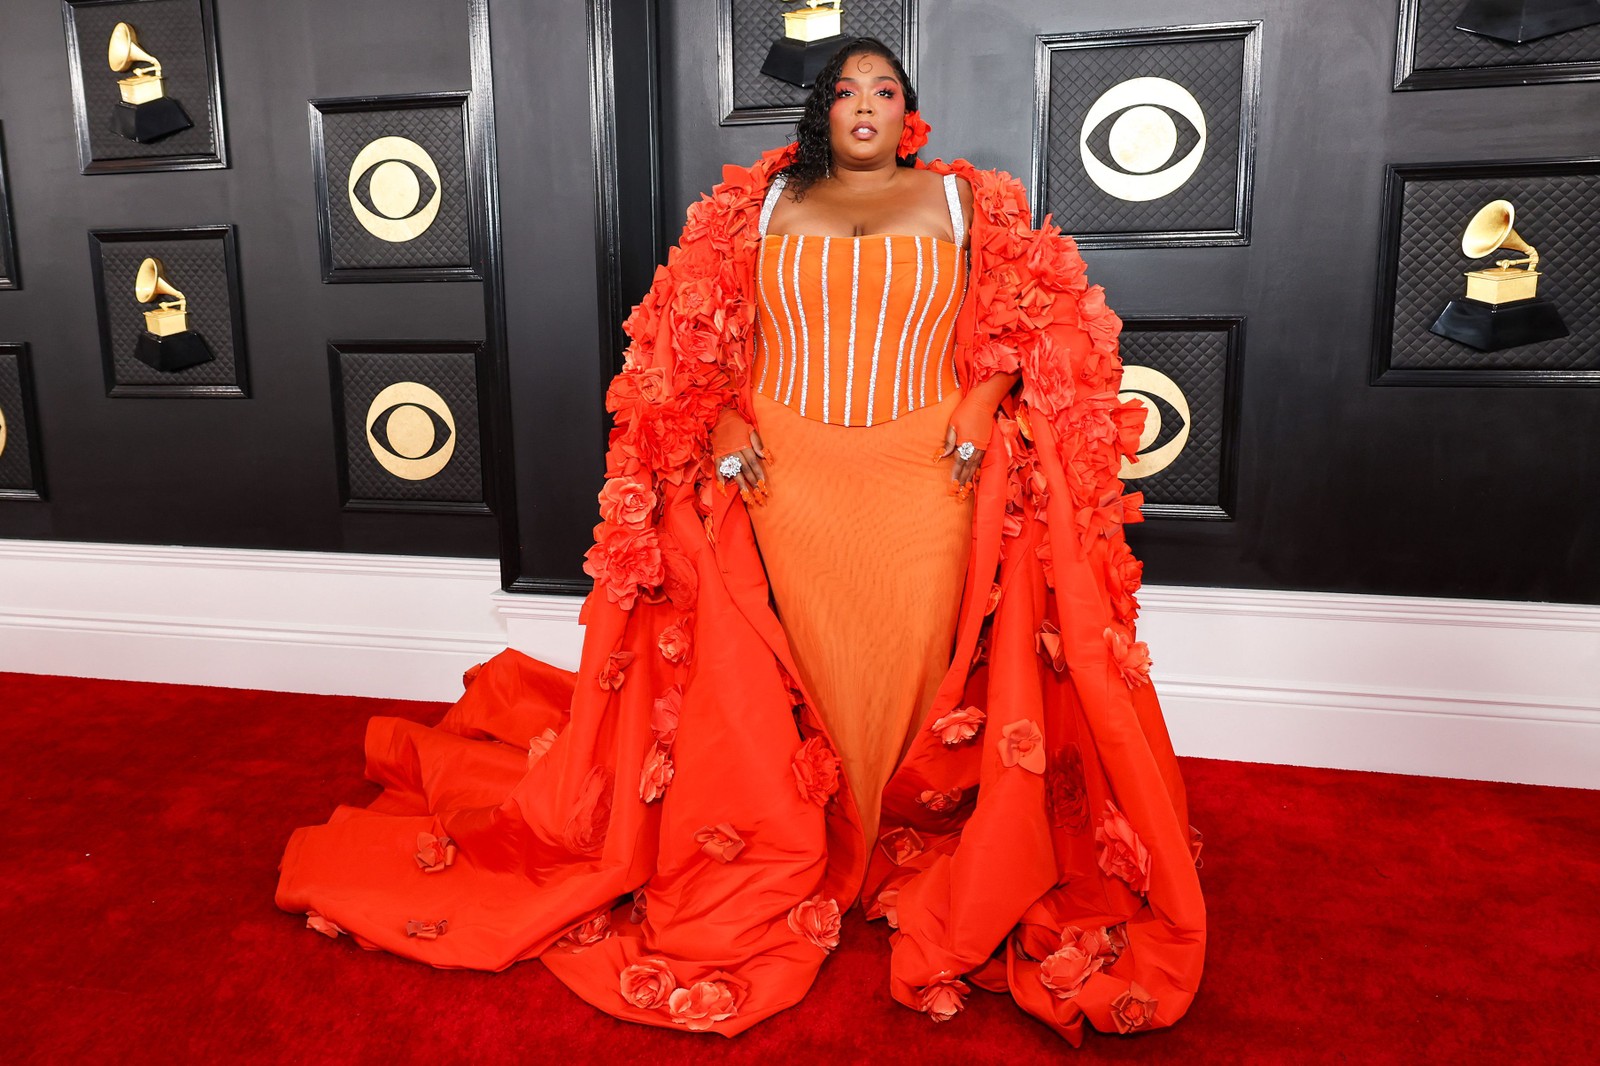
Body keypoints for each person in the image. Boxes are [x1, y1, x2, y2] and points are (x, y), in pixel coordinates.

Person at [276, 37, 1205, 1045]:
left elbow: (1035, 324)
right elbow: (690, 338)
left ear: (910, 112)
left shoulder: (963, 204)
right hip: (782, 473)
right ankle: (804, 835)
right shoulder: (755, 205)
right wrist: (719, 425)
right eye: (846, 90)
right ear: (820, 110)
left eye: (884, 91)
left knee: (908, 660)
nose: (865, 105)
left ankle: (884, 830)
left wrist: (982, 402)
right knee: (791, 662)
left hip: (925, 475)